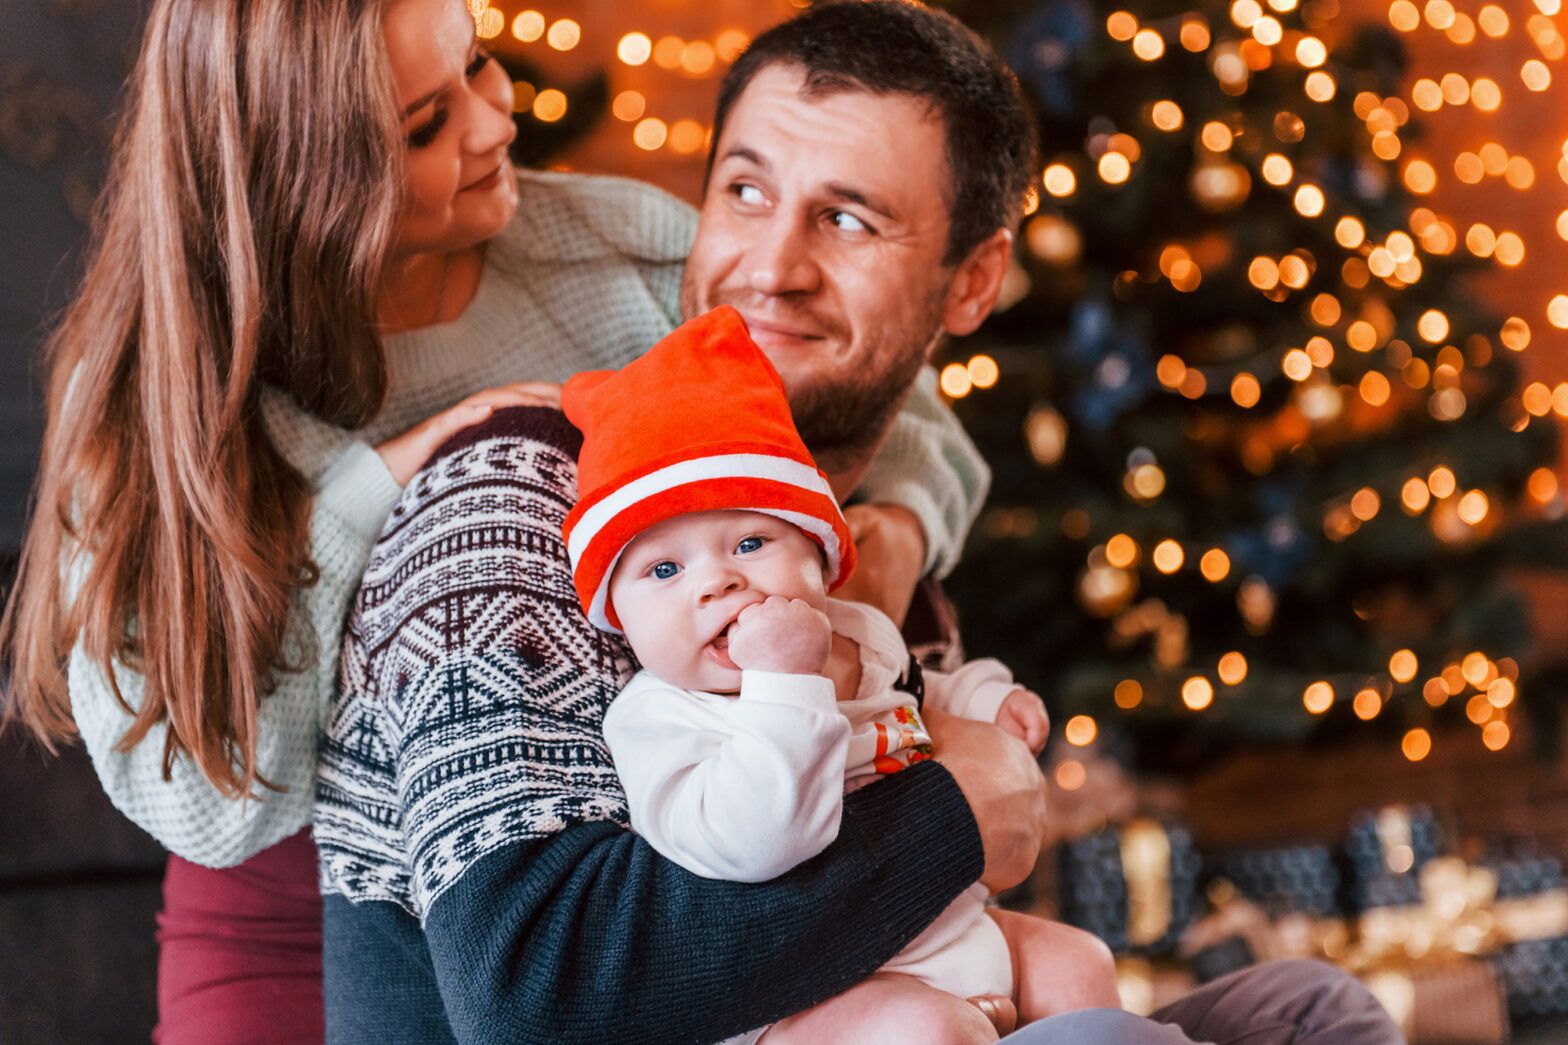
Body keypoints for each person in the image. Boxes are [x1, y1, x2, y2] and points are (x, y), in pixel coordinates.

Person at [316, 2, 1402, 1043]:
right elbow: (529, 998)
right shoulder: (522, 496)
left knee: (1308, 1011)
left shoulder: (871, 552)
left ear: (973, 280)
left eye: (844, 219)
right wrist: (950, 813)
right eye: (744, 193)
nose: (771, 269)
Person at [0, 0, 987, 1040]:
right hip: (309, 917)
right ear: (298, 175)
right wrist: (374, 486)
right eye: (426, 123)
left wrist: (893, 533)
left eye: (477, 65)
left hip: (617, 856)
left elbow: (882, 398)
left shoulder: (612, 250)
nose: (493, 124)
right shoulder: (158, 403)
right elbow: (207, 805)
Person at [564, 305, 1121, 1042]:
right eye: (664, 568)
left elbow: (923, 696)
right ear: (619, 617)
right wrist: (785, 683)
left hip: (948, 930)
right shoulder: (660, 717)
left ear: (819, 554)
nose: (719, 583)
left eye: (753, 540)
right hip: (815, 995)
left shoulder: (857, 632)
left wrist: (991, 700)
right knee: (926, 1029)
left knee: (1079, 959)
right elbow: (759, 841)